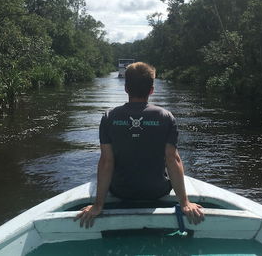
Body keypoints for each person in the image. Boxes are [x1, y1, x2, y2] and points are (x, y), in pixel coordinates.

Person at [75, 62, 204, 228]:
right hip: (156, 192)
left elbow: (107, 162)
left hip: (121, 192)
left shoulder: (109, 117)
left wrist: (98, 205)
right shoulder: (166, 117)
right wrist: (185, 202)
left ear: (126, 88)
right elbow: (173, 160)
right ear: (152, 90)